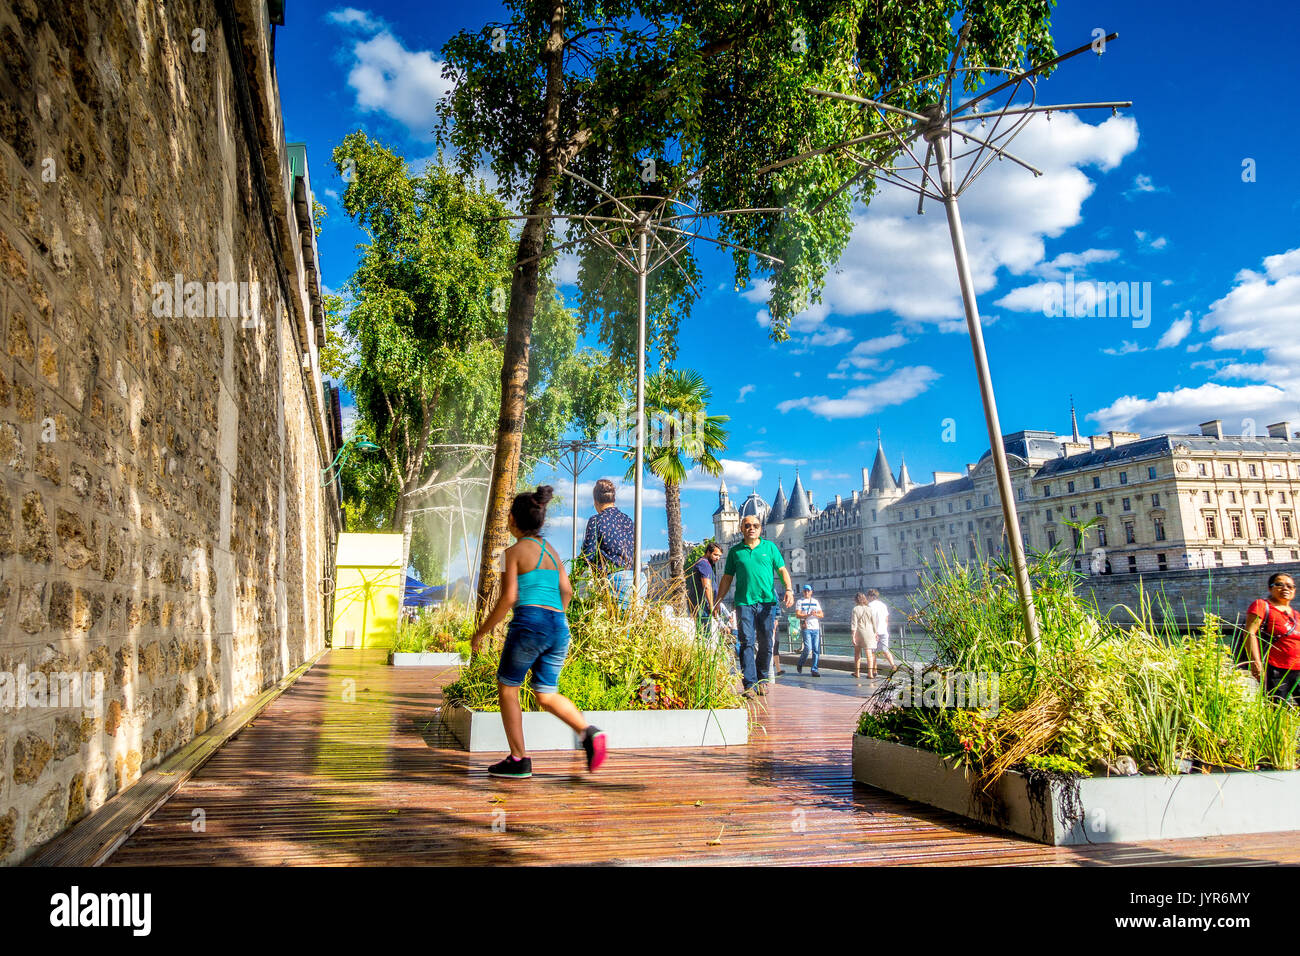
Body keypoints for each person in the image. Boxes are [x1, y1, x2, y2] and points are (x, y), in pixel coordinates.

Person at [470, 485, 608, 778]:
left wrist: (482, 632)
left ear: (513, 520)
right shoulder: (552, 553)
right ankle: (588, 731)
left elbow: (508, 598)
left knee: (508, 687)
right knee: (545, 694)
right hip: (558, 626)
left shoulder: (513, 552)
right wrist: (554, 616)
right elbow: (567, 591)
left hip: (529, 623)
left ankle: (519, 759)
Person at [712, 515, 794, 696]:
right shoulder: (735, 552)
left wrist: (789, 589)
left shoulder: (770, 548)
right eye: (747, 525)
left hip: (767, 603)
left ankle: (762, 678)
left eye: (755, 525)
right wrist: (718, 600)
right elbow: (727, 578)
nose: (751, 528)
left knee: (766, 642)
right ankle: (749, 684)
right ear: (741, 528)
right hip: (744, 603)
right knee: (746, 642)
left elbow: (782, 569)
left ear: (760, 529)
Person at [1243, 572, 1300, 705]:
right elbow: (1250, 633)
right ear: (1270, 588)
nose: (1285, 588)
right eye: (1279, 584)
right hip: (1276, 669)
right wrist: (1255, 662)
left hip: (1298, 669)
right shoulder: (1262, 606)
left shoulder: (1296, 615)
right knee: (1276, 709)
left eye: (1290, 586)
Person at [581, 477, 638, 605]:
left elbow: (588, 554)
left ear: (595, 501)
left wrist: (573, 575)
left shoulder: (596, 520)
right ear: (614, 500)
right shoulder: (628, 520)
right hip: (637, 580)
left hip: (614, 581)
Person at [687, 542, 723, 640]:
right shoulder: (704, 564)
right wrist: (712, 607)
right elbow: (707, 586)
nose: (717, 558)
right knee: (704, 637)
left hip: (701, 606)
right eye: (715, 555)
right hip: (702, 606)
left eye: (719, 556)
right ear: (708, 552)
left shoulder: (706, 564)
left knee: (704, 635)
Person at [865, 589, 898, 677]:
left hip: (873, 632)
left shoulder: (869, 606)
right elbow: (886, 619)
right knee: (885, 651)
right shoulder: (883, 605)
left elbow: (868, 620)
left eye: (868, 596)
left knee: (872, 652)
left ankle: (874, 670)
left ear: (871, 596)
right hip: (883, 631)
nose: (867, 598)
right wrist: (884, 628)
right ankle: (893, 665)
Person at [795, 584, 824, 676]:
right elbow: (798, 615)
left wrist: (815, 614)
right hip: (806, 628)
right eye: (805, 591)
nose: (807, 592)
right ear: (803, 592)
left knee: (816, 649)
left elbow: (821, 615)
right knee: (807, 648)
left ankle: (814, 669)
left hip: (815, 628)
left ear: (811, 592)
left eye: (808, 591)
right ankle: (800, 663)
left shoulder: (815, 601)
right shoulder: (800, 602)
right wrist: (808, 615)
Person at [851, 591, 874, 679]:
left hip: (859, 632)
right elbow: (874, 622)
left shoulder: (855, 609)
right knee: (869, 654)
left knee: (857, 654)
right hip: (870, 632)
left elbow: (854, 623)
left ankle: (857, 672)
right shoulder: (870, 609)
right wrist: (875, 633)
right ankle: (870, 673)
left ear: (856, 600)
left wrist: (853, 635)